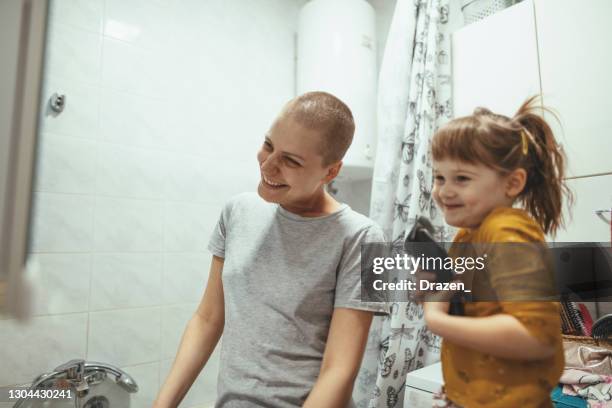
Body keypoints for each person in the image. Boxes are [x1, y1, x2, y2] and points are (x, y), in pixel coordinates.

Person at [153, 91, 387, 408]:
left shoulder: (366, 238)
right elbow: (207, 319)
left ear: (330, 172)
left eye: (291, 160)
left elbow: (340, 372)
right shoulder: (236, 212)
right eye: (268, 145)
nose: (269, 164)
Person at [422, 96, 572, 407]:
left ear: (513, 183)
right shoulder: (468, 236)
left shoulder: (504, 231)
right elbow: (481, 311)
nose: (444, 190)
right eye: (439, 177)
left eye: (461, 178)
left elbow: (534, 337)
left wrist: (438, 320)